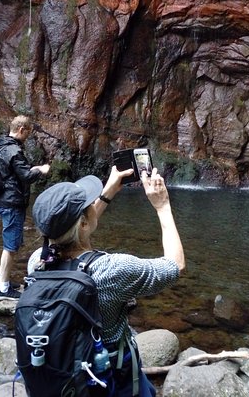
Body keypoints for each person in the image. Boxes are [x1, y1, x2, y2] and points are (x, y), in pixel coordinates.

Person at [28, 166, 185, 396]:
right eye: (89, 205)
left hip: (64, 367)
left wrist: (107, 193)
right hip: (109, 375)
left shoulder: (37, 262)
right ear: (83, 223)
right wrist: (162, 206)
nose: (94, 206)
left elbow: (72, 234)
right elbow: (176, 265)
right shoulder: (112, 270)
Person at [0, 115, 50, 300]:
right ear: (21, 130)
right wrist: (40, 169)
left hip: (2, 200)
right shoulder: (14, 150)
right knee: (11, 246)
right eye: (28, 133)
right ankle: (2, 288)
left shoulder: (0, 145)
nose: (28, 137)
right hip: (12, 203)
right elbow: (26, 175)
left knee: (9, 243)